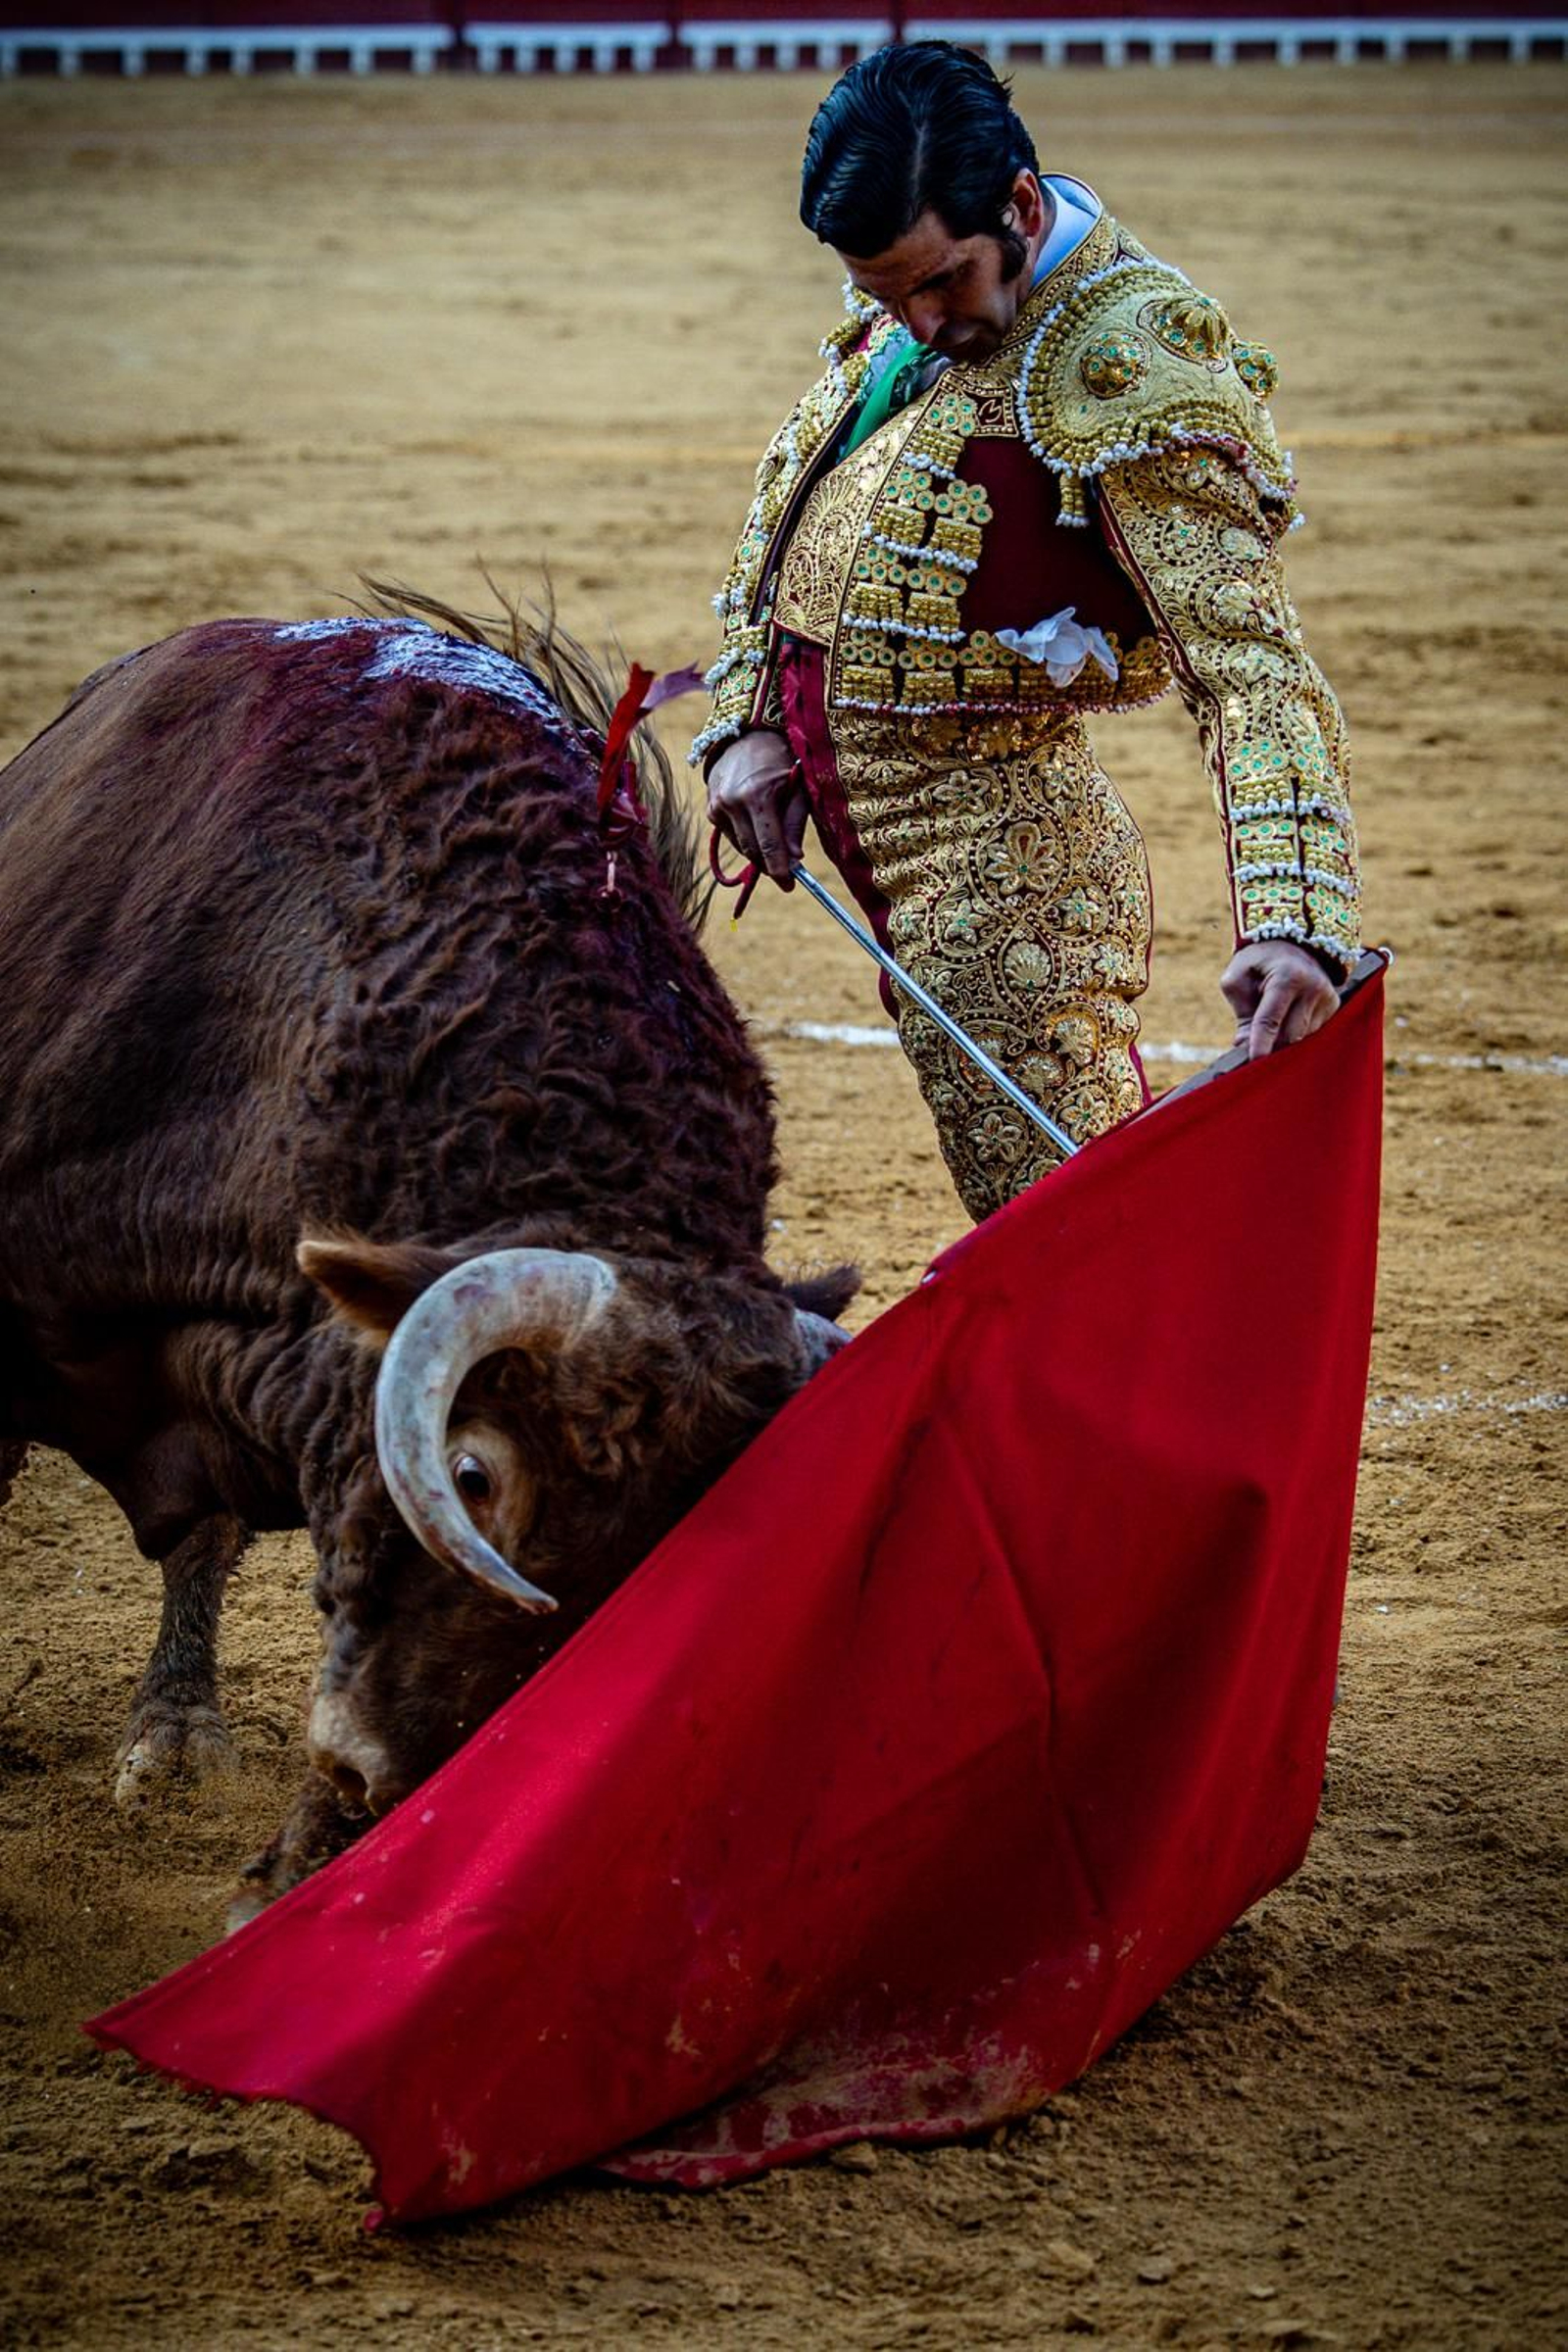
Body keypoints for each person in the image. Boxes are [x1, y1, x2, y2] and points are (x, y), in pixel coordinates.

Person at [696, 40, 1360, 1223]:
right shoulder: (932, 294)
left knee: (1067, 1239)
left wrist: (1293, 921)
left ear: (1018, 203)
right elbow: (796, 506)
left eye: (940, 282)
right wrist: (750, 725)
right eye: (881, 294)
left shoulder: (1127, 360)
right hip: (887, 853)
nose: (916, 319)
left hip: (1008, 888)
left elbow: (1251, 669)